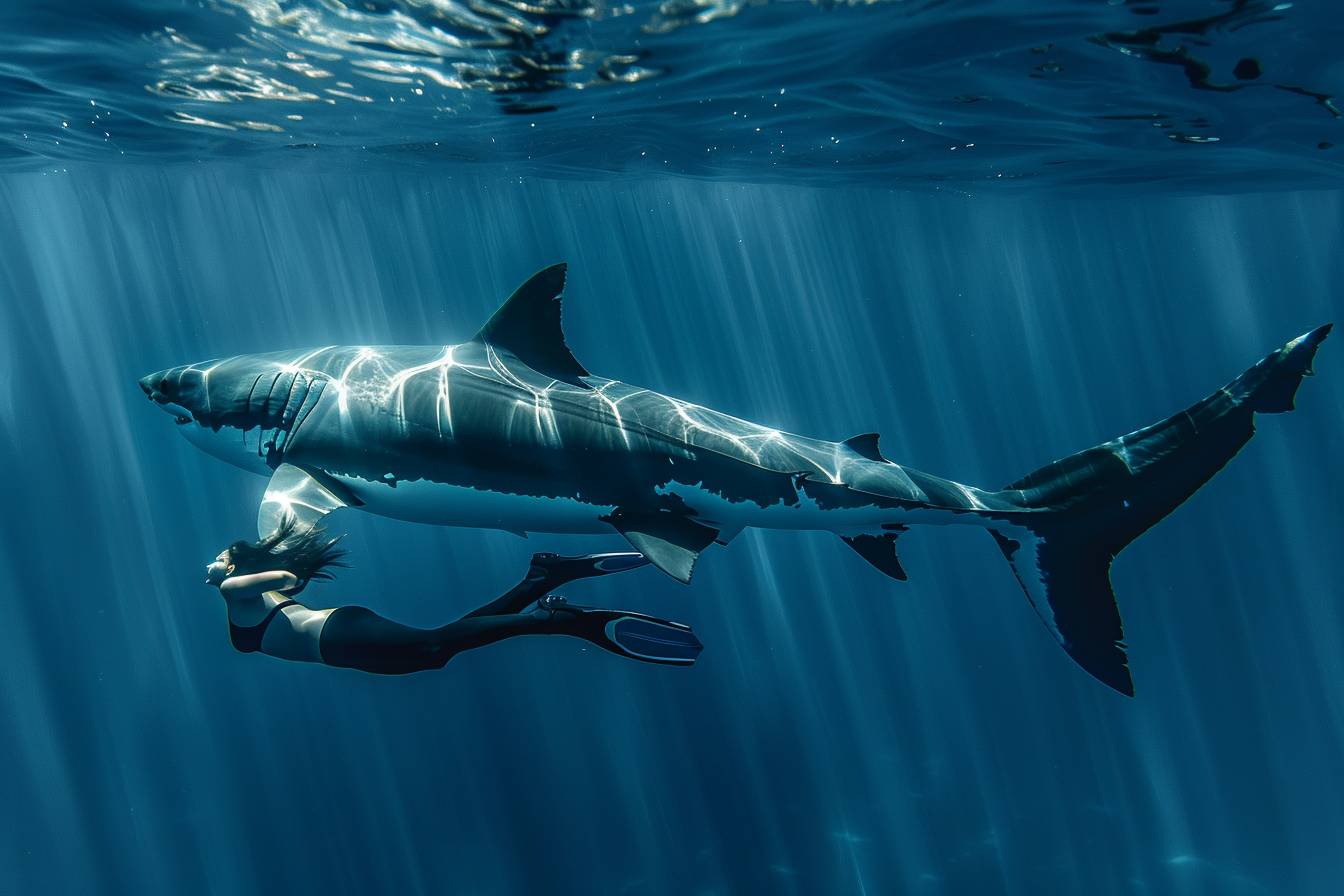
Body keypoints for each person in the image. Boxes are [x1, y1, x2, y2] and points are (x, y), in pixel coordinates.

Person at [204, 516, 703, 672]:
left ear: (233, 567)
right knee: (441, 643)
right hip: (339, 632)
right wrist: (280, 574)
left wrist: (277, 574)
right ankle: (542, 579)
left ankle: (557, 620)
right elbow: (283, 581)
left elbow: (282, 580)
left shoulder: (233, 591)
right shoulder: (243, 594)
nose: (212, 564)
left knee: (434, 647)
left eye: (220, 558)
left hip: (335, 637)